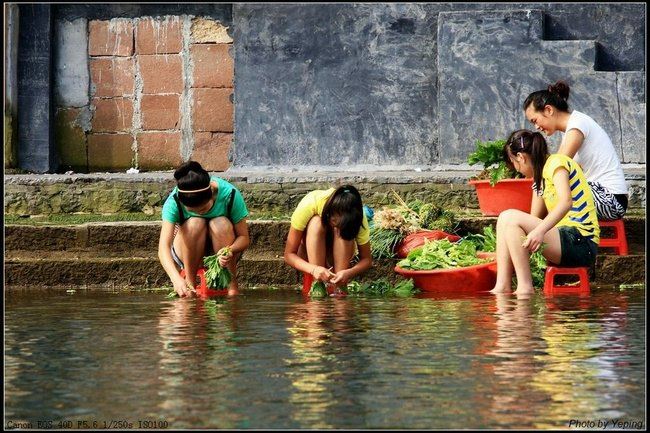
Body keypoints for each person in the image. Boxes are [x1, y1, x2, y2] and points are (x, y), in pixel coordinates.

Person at [490, 130, 600, 297]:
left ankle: (525, 288)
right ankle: (502, 286)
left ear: (521, 157)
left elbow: (566, 202)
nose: (517, 170)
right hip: (564, 239)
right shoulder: (539, 178)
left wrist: (540, 231)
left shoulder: (556, 163)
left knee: (509, 216)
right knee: (506, 220)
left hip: (581, 242)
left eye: (513, 163)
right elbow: (532, 220)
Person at [523, 80, 628, 220]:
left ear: (548, 110)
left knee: (543, 179)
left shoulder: (577, 125)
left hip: (611, 201)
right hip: (599, 197)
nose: (536, 127)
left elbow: (553, 169)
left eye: (535, 120)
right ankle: (535, 227)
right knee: (545, 178)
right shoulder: (570, 129)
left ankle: (532, 226)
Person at [158, 161, 250, 297]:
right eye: (192, 210)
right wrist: (175, 279)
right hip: (187, 252)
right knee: (195, 223)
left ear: (211, 193)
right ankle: (190, 284)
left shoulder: (229, 195)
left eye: (203, 209)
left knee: (221, 223)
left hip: (222, 254)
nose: (200, 213)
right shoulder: (174, 202)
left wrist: (229, 250)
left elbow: (244, 238)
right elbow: (163, 248)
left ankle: (232, 287)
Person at [284, 185, 372, 292]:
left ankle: (339, 287)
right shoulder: (310, 203)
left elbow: (367, 259)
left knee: (342, 229)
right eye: (334, 222)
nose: (334, 225)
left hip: (340, 258)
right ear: (329, 214)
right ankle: (318, 285)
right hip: (309, 256)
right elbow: (289, 255)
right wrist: (314, 269)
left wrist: (348, 272)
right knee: (316, 223)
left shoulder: (357, 217)